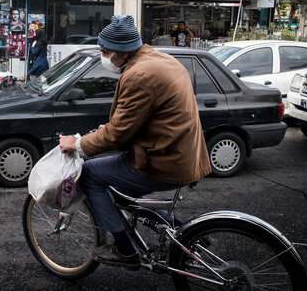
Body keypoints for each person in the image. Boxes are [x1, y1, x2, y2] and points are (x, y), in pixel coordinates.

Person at [59, 15, 211, 270]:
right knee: (124, 194)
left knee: (90, 175)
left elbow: (117, 134)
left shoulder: (139, 75)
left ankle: (124, 250)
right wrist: (104, 134)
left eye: (105, 51)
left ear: (121, 52)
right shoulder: (161, 60)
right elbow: (139, 120)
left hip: (164, 160)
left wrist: (77, 144)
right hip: (183, 152)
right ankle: (185, 233)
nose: (102, 56)